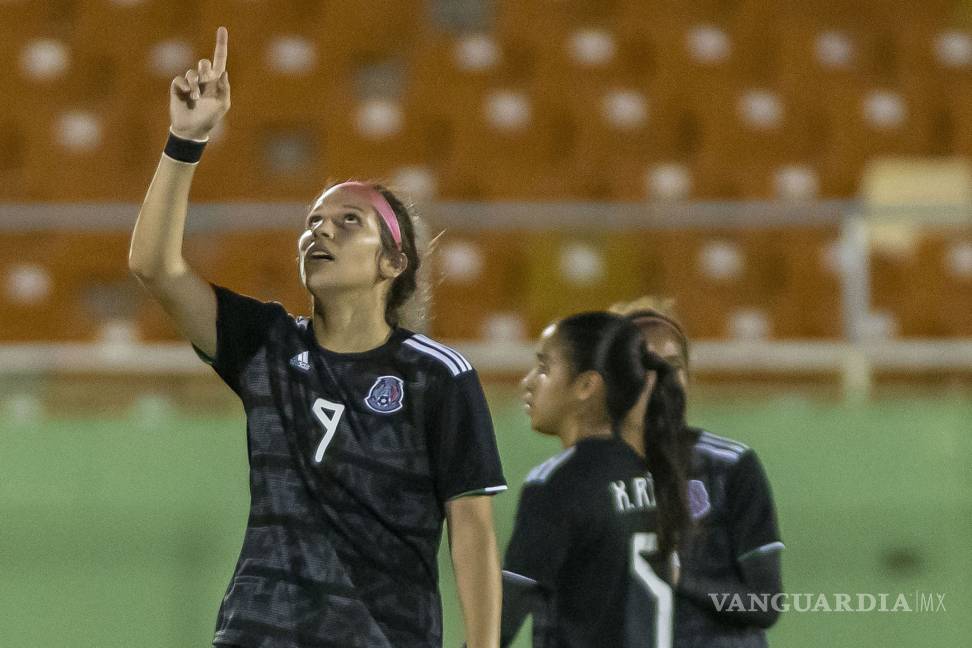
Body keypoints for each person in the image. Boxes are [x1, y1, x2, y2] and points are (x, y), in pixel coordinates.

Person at [128, 27, 506, 648]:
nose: (318, 233)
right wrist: (187, 139)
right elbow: (154, 266)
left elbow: (471, 525)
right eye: (312, 223)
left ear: (393, 263)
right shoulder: (265, 345)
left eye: (347, 222)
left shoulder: (436, 375)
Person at [500, 312, 695, 648]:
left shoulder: (558, 483)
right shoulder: (655, 476)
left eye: (544, 368)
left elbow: (502, 618)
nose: (528, 382)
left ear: (586, 386)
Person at [609, 297, 784, 648]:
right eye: (645, 367)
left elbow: (766, 603)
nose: (661, 381)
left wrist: (678, 578)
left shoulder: (731, 468)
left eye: (672, 366)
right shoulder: (587, 477)